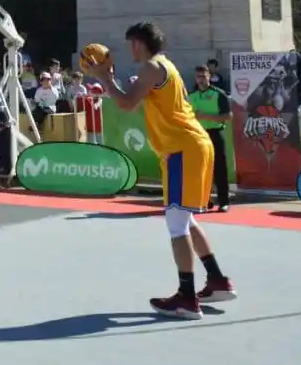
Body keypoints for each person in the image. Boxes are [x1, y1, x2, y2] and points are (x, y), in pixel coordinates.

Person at [82, 22, 236, 319]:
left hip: (183, 148)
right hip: (192, 145)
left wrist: (104, 77)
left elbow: (125, 103)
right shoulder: (165, 65)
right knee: (186, 219)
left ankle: (186, 297)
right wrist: (110, 78)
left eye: (131, 44)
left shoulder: (151, 67)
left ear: (139, 44)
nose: (129, 50)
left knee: (176, 225)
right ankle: (217, 280)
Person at [188, 66, 231, 211]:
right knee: (201, 169)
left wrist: (207, 116)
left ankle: (223, 201)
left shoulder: (218, 94)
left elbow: (228, 116)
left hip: (214, 133)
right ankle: (205, 200)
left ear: (209, 76)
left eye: (203, 76)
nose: (201, 79)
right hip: (198, 135)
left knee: (219, 168)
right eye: (198, 76)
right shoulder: (191, 96)